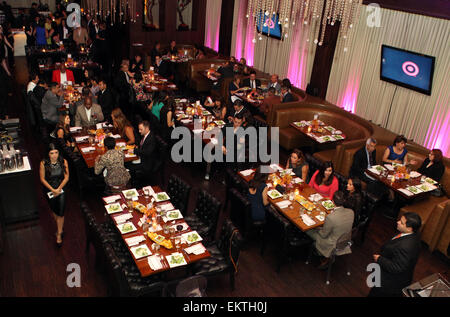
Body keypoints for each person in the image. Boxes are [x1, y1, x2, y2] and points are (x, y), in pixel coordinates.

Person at [369, 212, 422, 297]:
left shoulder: (406, 246)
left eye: (401, 222)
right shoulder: (413, 235)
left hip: (388, 283)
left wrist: (379, 259)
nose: (398, 222)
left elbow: (396, 267)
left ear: (409, 228)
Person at [306, 190, 354, 269]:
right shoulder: (351, 212)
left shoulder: (331, 217)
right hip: (345, 241)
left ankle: (319, 253)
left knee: (308, 230)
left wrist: (316, 227)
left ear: (332, 201)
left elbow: (323, 235)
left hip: (332, 244)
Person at [39, 143, 69, 247]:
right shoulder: (43, 163)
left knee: (61, 212)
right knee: (54, 211)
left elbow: (66, 177)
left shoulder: (63, 161)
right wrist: (53, 190)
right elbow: (42, 179)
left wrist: (59, 189)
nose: (54, 155)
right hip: (49, 189)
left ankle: (59, 234)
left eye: (56, 152)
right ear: (48, 154)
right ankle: (60, 227)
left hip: (61, 188)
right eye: (52, 153)